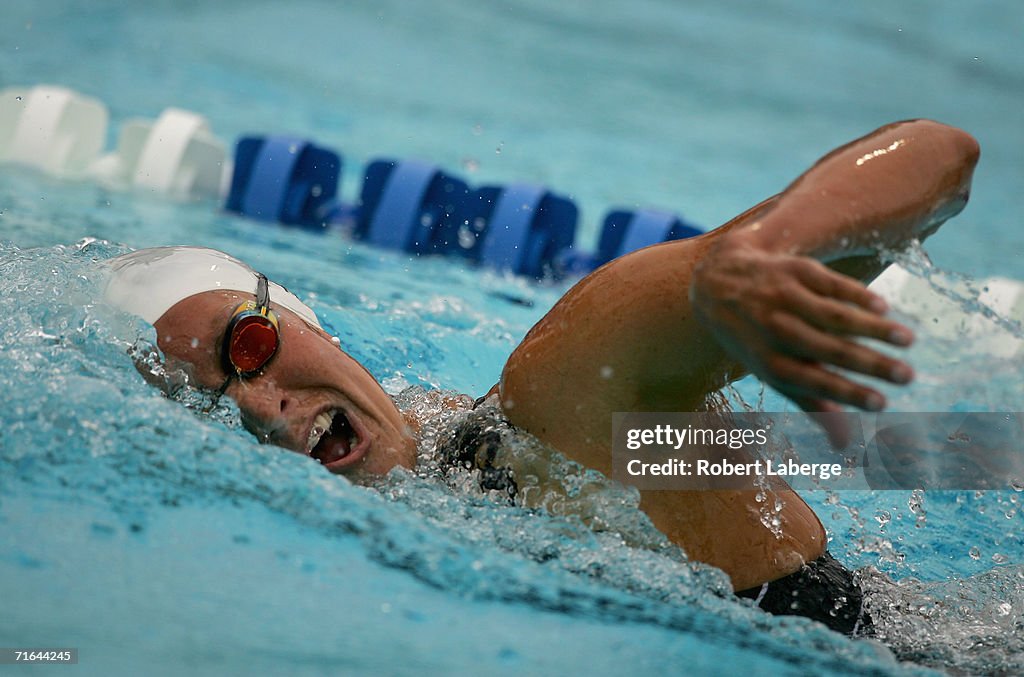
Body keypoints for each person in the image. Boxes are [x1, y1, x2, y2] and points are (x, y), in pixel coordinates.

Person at [105, 119, 979, 635]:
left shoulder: (556, 399)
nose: (259, 408)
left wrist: (759, 254)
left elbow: (938, 152)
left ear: (300, 317)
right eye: (208, 411)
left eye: (246, 350)